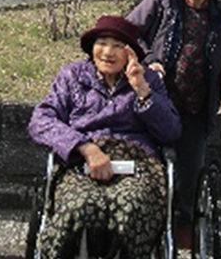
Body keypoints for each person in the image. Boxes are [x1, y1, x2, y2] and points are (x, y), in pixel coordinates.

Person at [28, 15, 181, 259]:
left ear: (131, 53)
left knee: (132, 207)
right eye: (102, 43)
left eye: (118, 46)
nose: (108, 52)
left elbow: (171, 131)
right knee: (78, 207)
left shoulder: (148, 79)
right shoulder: (73, 76)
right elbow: (41, 120)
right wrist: (85, 148)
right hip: (81, 162)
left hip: (137, 163)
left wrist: (142, 91)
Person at [126, 0, 221, 245]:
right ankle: (147, 221)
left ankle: (182, 224)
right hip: (157, 99)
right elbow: (129, 33)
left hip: (197, 105)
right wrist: (149, 60)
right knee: (151, 162)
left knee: (190, 169)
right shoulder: (160, 3)